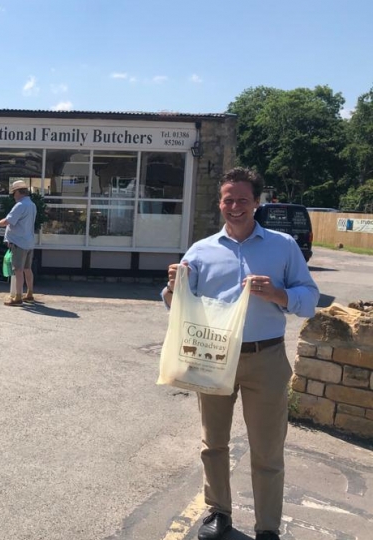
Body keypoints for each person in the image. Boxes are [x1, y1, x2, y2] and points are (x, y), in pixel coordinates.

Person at [163, 167, 318, 540]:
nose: (235, 207)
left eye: (243, 200)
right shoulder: (201, 251)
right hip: (213, 357)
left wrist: (279, 295)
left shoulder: (283, 246)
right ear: (220, 203)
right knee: (213, 443)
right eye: (228, 200)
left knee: (267, 449)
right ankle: (219, 513)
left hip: (265, 358)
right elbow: (179, 306)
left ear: (257, 203)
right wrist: (173, 288)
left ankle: (267, 528)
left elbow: (309, 299)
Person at [0, 180, 37, 306]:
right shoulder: (31, 204)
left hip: (19, 242)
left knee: (18, 270)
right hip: (29, 241)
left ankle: (18, 297)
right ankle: (30, 293)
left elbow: (8, 221)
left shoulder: (20, 205)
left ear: (19, 192)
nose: (13, 195)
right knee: (27, 269)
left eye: (14, 192)